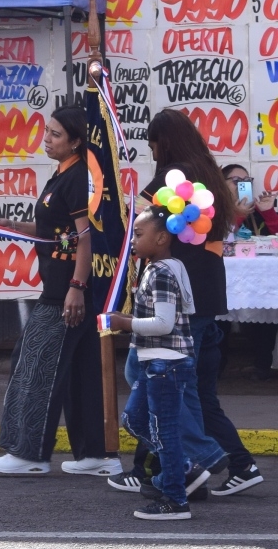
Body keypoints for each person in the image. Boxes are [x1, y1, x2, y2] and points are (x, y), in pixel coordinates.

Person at [129, 110, 259, 497]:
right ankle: (191, 468)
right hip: (204, 293)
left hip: (178, 295)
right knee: (188, 388)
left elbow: (137, 214)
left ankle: (201, 458)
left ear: (164, 142)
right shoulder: (209, 171)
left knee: (148, 375)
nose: (152, 153)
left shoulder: (177, 173)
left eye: (153, 145)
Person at [0, 105, 111, 475]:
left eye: (56, 134)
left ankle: (29, 455)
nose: (47, 139)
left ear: (76, 142)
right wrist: (14, 226)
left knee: (34, 365)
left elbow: (85, 238)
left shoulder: (76, 178)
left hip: (65, 292)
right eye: (47, 131)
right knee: (80, 375)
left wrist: (76, 286)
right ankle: (96, 455)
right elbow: (57, 231)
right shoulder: (64, 173)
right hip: (69, 289)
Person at [104, 209, 202, 520]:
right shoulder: (162, 267)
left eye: (138, 234)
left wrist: (125, 323)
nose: (132, 240)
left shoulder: (161, 272)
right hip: (156, 362)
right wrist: (126, 319)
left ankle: (175, 499)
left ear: (161, 238)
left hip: (166, 363)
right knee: (134, 420)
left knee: (165, 432)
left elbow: (163, 323)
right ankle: (179, 467)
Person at [223, 163, 278, 381]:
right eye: (236, 181)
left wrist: (268, 212)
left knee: (265, 312)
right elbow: (221, 239)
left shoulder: (257, 211)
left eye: (246, 181)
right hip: (225, 278)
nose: (242, 185)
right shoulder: (212, 209)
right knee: (218, 318)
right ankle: (217, 366)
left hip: (256, 278)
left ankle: (261, 365)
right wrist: (235, 215)